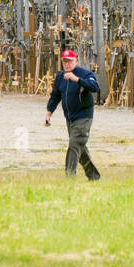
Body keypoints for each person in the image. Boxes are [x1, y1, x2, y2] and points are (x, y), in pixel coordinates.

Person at [44, 49, 101, 180]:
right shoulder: (60, 77)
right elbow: (55, 97)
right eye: (64, 62)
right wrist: (48, 114)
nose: (67, 64)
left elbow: (94, 87)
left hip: (84, 117)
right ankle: (94, 176)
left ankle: (69, 178)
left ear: (76, 61)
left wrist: (77, 79)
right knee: (80, 148)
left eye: (69, 61)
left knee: (74, 145)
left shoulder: (85, 74)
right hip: (70, 118)